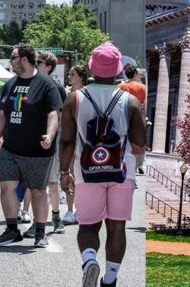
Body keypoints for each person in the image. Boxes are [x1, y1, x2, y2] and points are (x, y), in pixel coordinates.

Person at [59, 43, 147, 287]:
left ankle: (89, 261)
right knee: (116, 228)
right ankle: (110, 278)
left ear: (91, 68)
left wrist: (64, 172)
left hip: (86, 170)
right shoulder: (129, 101)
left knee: (88, 225)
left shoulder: (74, 98)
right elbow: (140, 142)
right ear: (118, 70)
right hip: (122, 169)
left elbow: (66, 140)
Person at [0, 44, 62, 248]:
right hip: (11, 149)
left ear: (24, 60)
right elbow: (2, 114)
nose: (10, 61)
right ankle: (12, 230)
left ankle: (40, 233)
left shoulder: (47, 84)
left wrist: (49, 135)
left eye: (13, 58)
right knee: (7, 186)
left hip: (38, 151)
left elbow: (53, 114)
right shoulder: (10, 84)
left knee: (38, 191)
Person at [29, 50, 67, 237]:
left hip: (50, 141)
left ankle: (56, 217)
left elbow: (61, 116)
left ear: (48, 67)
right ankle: (38, 222)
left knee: (51, 182)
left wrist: (55, 139)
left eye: (39, 62)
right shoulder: (30, 84)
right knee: (36, 184)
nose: (35, 65)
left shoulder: (56, 87)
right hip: (33, 141)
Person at [62, 64, 89, 225]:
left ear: (81, 77)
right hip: (68, 136)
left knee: (81, 174)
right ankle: (70, 210)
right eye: (69, 74)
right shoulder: (66, 93)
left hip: (83, 137)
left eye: (72, 74)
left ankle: (80, 209)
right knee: (68, 172)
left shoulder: (87, 94)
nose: (70, 77)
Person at [118, 64, 148, 174]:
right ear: (135, 74)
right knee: (138, 145)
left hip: (123, 118)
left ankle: (123, 165)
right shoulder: (143, 88)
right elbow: (145, 105)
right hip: (137, 118)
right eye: (138, 74)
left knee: (124, 144)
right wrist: (144, 120)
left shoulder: (120, 87)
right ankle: (135, 168)